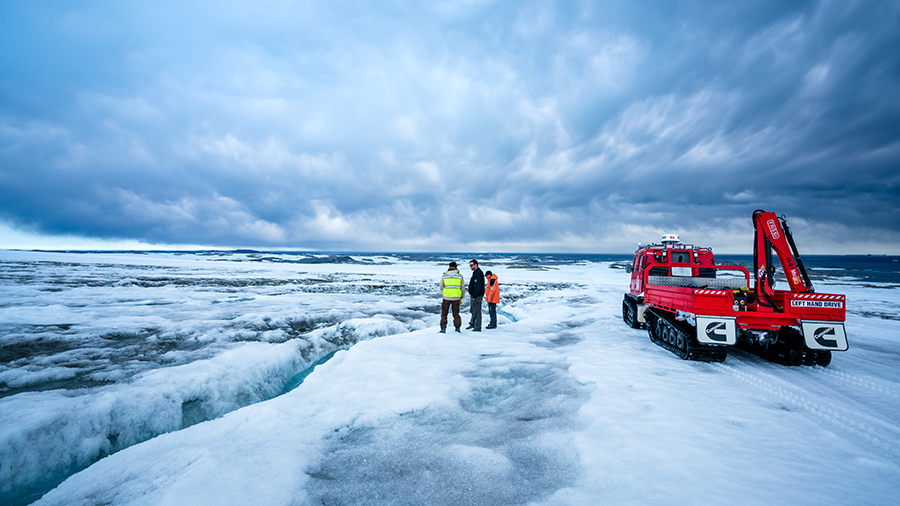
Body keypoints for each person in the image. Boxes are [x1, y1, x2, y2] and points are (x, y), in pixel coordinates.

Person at [439, 261, 464, 333]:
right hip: (456, 298)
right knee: (456, 314)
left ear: (449, 267)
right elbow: (462, 288)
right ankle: (457, 328)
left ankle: (443, 329)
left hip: (446, 297)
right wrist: (461, 298)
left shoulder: (445, 275)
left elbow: (441, 286)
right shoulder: (459, 276)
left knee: (444, 314)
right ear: (456, 267)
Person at [466, 259, 485, 331]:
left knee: (477, 311)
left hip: (477, 296)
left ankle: (477, 327)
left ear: (476, 265)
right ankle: (472, 324)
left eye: (471, 265)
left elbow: (478, 286)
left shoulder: (479, 274)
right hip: (474, 295)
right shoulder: (475, 273)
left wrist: (474, 295)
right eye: (470, 265)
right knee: (473, 310)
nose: (470, 266)